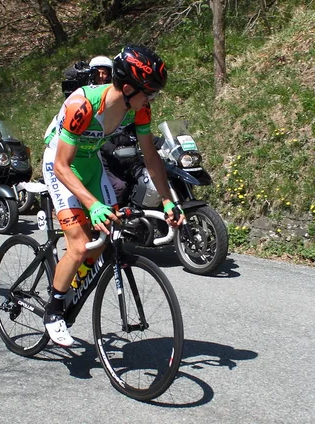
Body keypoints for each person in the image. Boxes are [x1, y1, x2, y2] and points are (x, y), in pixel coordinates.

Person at [41, 45, 185, 347]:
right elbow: (61, 165)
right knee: (80, 246)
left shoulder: (138, 107)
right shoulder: (82, 104)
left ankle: (71, 284)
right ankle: (54, 310)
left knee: (108, 232)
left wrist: (169, 199)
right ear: (129, 87)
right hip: (61, 165)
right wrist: (92, 205)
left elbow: (151, 157)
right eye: (149, 93)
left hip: (91, 164)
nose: (151, 100)